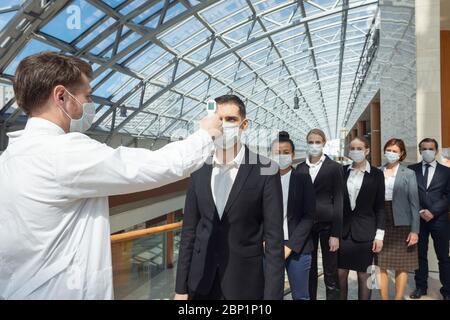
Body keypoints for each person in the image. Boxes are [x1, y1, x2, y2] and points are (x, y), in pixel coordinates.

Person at [0, 52, 222, 300]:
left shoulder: (9, 158)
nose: (89, 104)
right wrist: (206, 134)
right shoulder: (63, 153)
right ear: (61, 95)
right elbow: (154, 166)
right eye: (87, 95)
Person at [174, 95, 285, 300]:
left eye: (231, 119)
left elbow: (274, 242)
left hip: (244, 285)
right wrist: (181, 288)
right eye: (218, 119)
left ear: (244, 125)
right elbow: (189, 231)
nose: (223, 125)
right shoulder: (198, 169)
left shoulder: (266, 170)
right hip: (201, 284)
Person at [296, 128, 343, 300]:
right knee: (309, 269)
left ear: (324, 143)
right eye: (311, 142)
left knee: (330, 270)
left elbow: (339, 201)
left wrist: (336, 234)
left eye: (317, 141)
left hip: (327, 225)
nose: (314, 145)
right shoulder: (300, 169)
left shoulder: (334, 168)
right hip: (306, 227)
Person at [338, 136, 385, 300]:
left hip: (366, 232)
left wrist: (379, 235)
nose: (355, 151)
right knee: (340, 274)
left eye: (359, 148)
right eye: (352, 148)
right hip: (342, 234)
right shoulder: (341, 171)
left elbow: (380, 206)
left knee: (365, 276)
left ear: (367, 151)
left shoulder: (377, 174)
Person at [271, 131, 315, 300]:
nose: (281, 156)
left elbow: (309, 216)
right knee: (271, 294)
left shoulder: (303, 178)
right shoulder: (264, 179)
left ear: (293, 154)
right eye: (277, 152)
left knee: (301, 296)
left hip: (299, 248)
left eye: (286, 152)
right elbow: (258, 214)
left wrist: (290, 246)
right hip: (270, 246)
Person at [375, 138, 420, 300]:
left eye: (395, 151)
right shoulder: (377, 172)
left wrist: (415, 230)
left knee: (402, 265)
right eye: (389, 150)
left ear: (401, 154)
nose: (391, 153)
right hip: (380, 221)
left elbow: (415, 204)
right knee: (381, 264)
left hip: (402, 223)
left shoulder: (408, 173)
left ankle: (398, 297)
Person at [408, 138, 450, 300]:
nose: (427, 151)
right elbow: (409, 194)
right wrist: (419, 211)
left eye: (430, 148)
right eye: (424, 148)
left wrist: (433, 211)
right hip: (418, 220)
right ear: (419, 151)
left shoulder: (446, 172)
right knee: (419, 255)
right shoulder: (412, 170)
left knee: (443, 257)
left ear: (436, 150)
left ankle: (447, 290)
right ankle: (421, 287)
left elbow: (448, 195)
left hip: (440, 220)